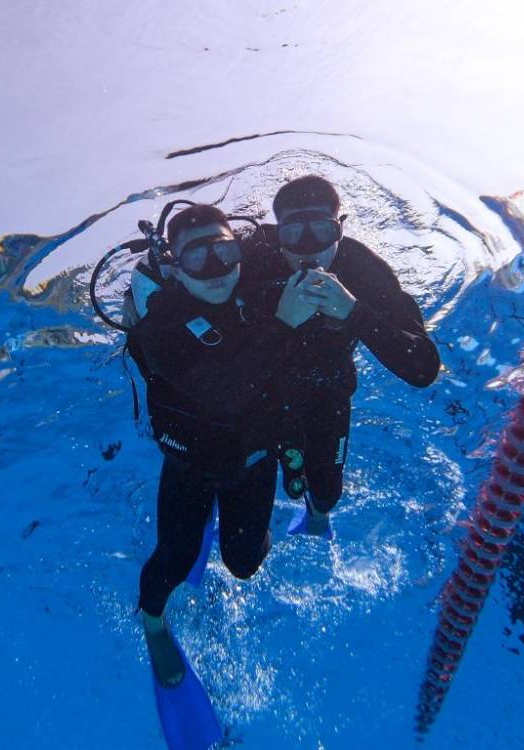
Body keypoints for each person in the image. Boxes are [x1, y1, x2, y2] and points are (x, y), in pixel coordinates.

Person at [127, 204, 315, 690]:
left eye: (224, 253)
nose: (215, 269)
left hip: (255, 460)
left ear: (240, 252)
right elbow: (222, 394)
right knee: (175, 559)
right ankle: (153, 624)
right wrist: (284, 325)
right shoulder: (160, 326)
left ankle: (231, 530)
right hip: (191, 465)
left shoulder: (262, 294)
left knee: (244, 564)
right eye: (196, 258)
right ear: (174, 266)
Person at [241, 175, 441, 537]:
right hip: (261, 389)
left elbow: (423, 368)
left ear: (340, 229)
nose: (308, 249)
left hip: (328, 391)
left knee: (327, 491)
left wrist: (354, 312)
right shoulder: (255, 257)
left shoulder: (364, 271)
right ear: (278, 233)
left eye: (321, 231)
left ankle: (316, 519)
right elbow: (196, 269)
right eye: (293, 233)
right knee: (249, 472)